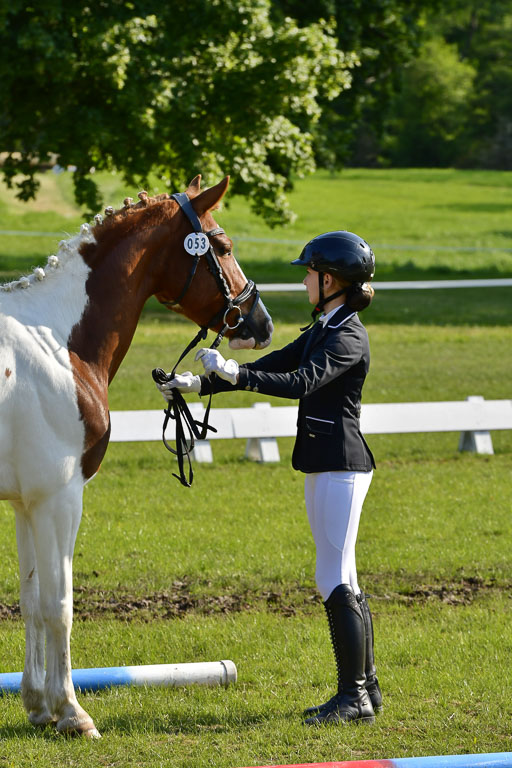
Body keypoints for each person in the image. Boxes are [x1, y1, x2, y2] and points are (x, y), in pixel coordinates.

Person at [155, 230, 382, 725]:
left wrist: (237, 374)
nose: (304, 281)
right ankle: (366, 690)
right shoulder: (326, 326)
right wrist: (199, 384)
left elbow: (300, 383)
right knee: (342, 575)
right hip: (324, 462)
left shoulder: (347, 335)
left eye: (309, 273)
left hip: (341, 465)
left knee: (335, 577)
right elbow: (272, 365)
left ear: (330, 281)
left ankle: (354, 698)